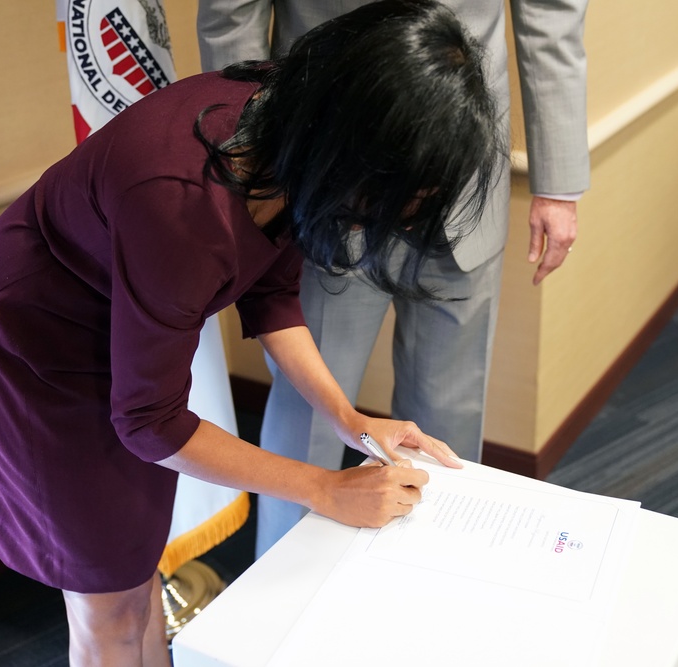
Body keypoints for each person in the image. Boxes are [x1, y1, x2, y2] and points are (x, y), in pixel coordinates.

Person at [0, 2, 505, 665]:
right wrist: (324, 486)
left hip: (125, 329)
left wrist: (352, 420)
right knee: (107, 606)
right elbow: (150, 422)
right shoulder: (183, 201)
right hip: (40, 344)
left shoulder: (297, 135)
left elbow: (272, 299)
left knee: (135, 563)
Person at [198, 0, 591, 556]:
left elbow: (552, 13)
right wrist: (260, 153)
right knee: (311, 407)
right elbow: (230, 12)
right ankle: (274, 592)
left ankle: (433, 574)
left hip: (464, 177)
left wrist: (558, 182)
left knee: (450, 415)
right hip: (333, 169)